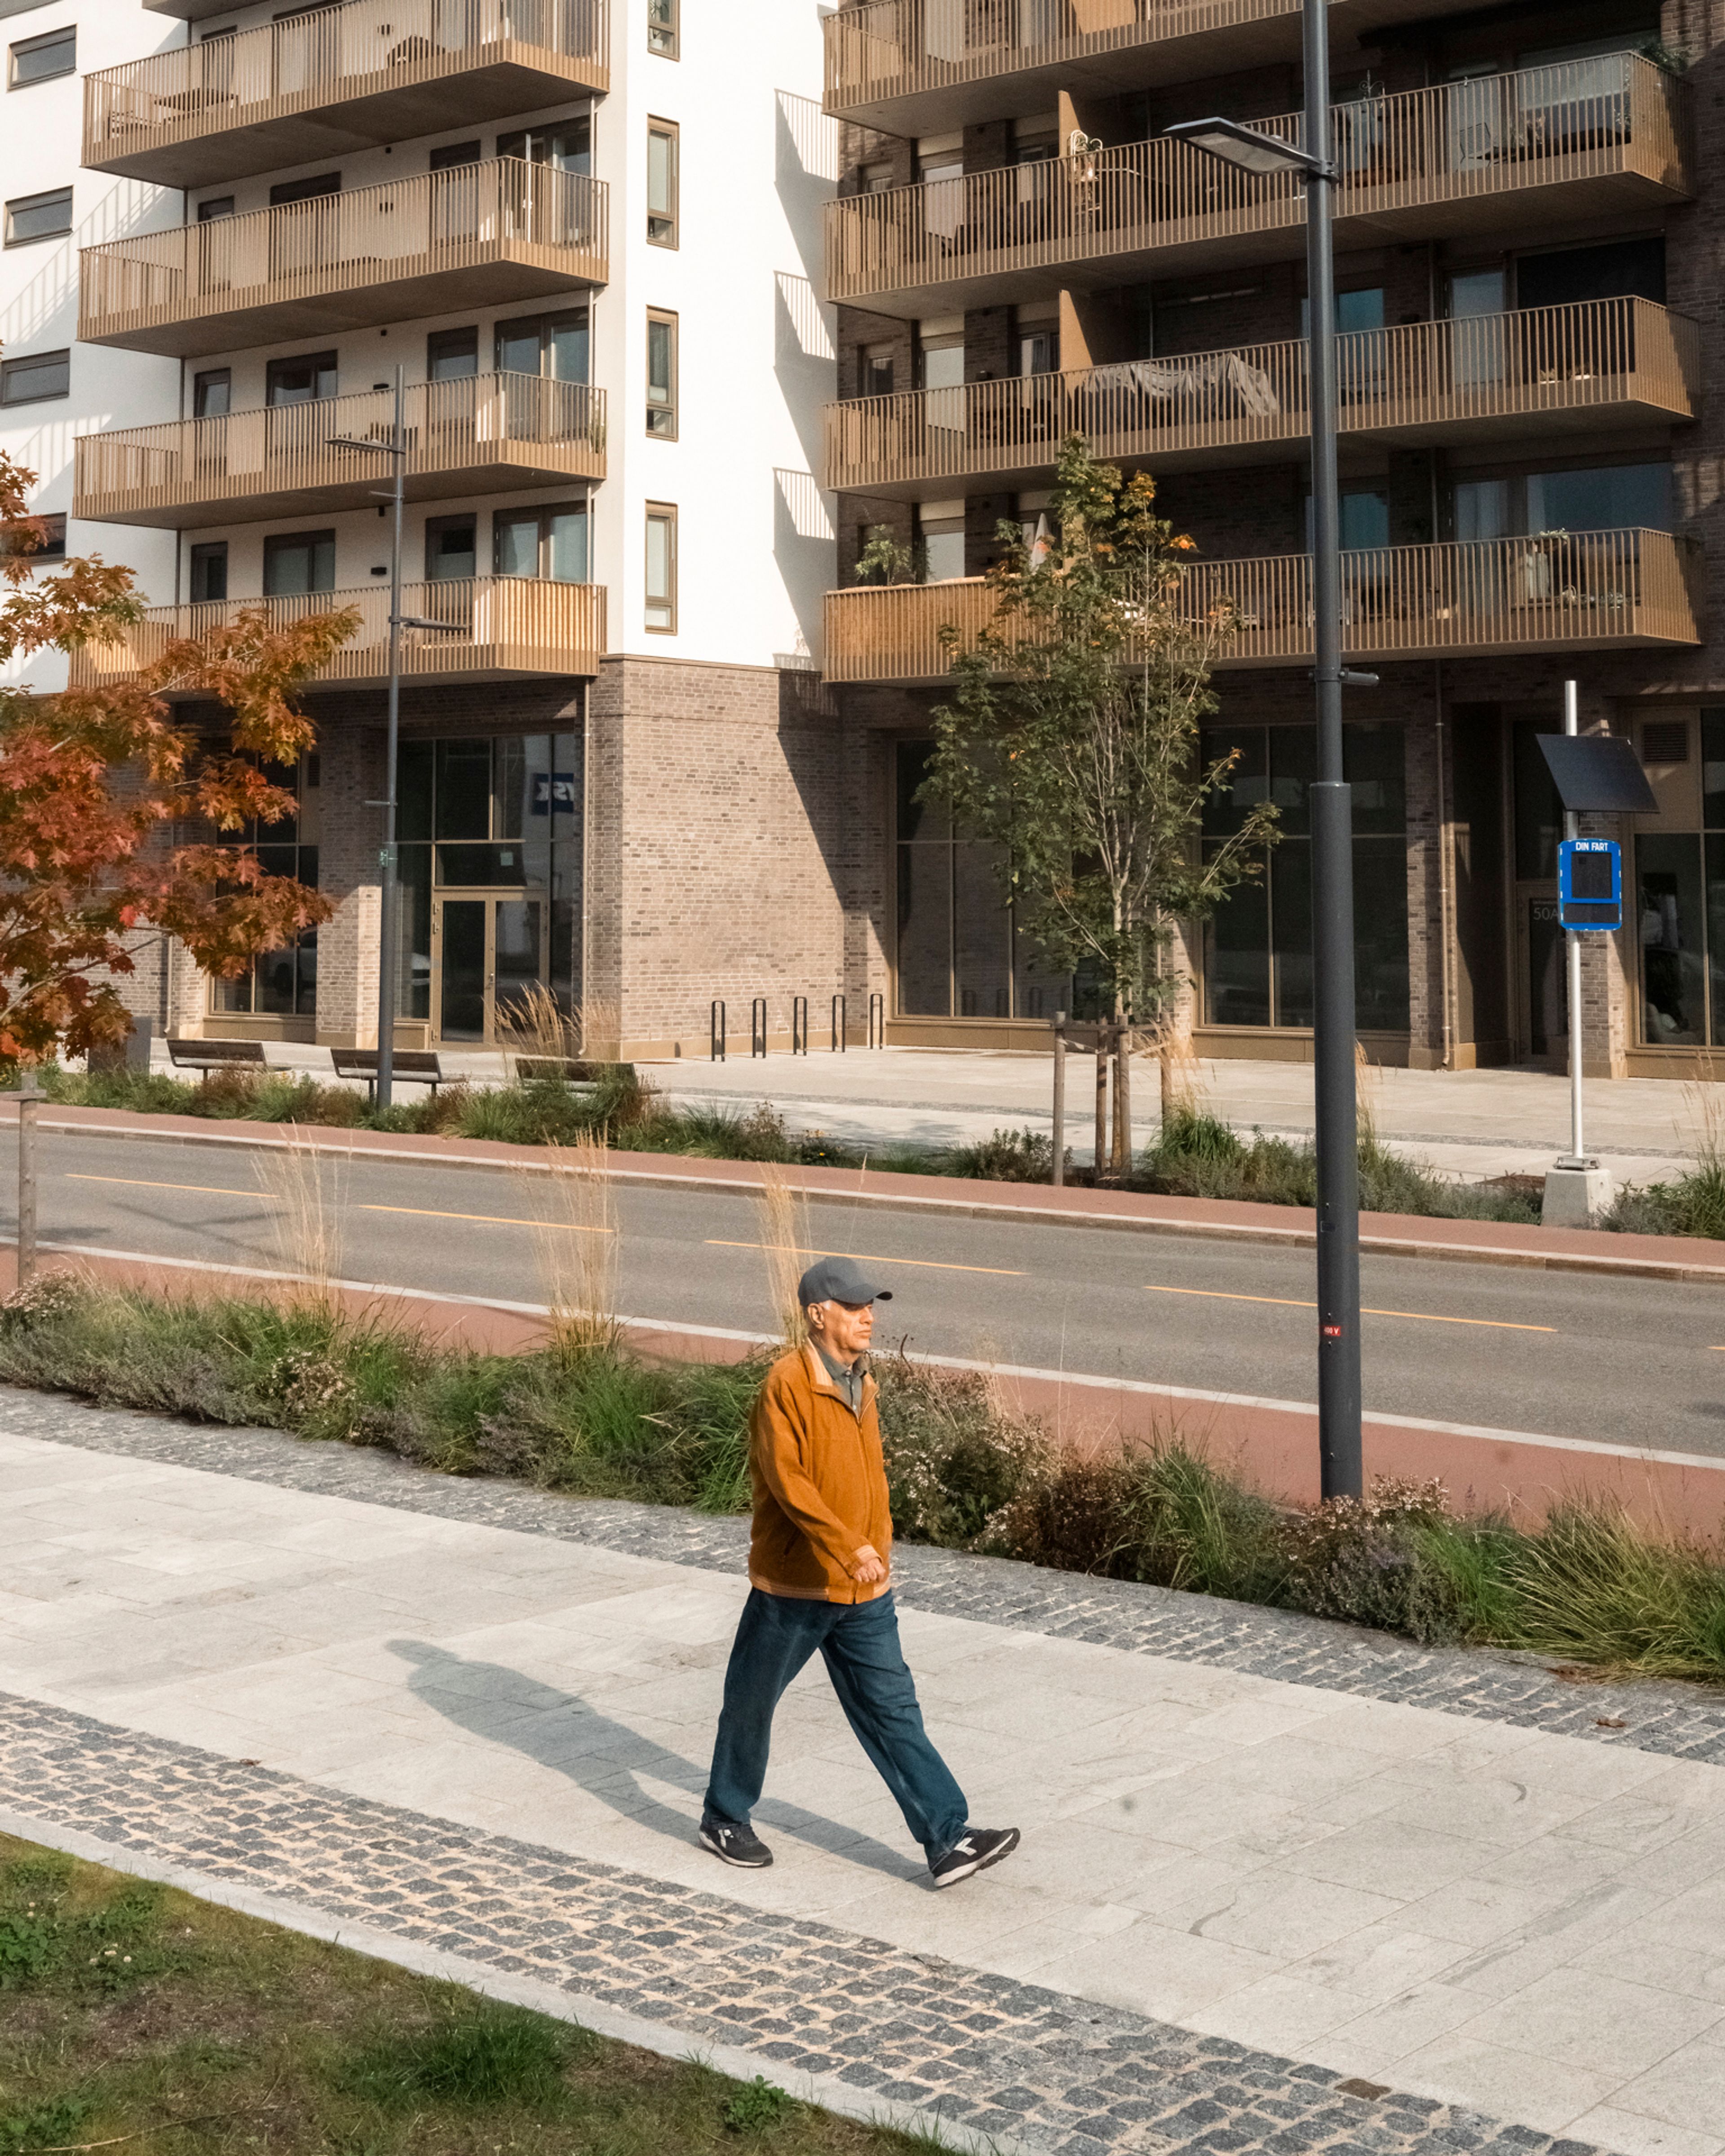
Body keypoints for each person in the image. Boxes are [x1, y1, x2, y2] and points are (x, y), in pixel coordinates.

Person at [700, 1256, 1019, 1889]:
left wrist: (878, 1546)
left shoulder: (862, 1381)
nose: (868, 1316)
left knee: (893, 1709)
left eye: (871, 1305)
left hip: (864, 1587)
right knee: (752, 1704)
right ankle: (725, 1816)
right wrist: (849, 1545)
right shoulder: (786, 1385)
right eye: (853, 1307)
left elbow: (867, 1479)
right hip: (797, 1585)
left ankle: (947, 1838)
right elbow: (790, 1486)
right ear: (818, 1315)